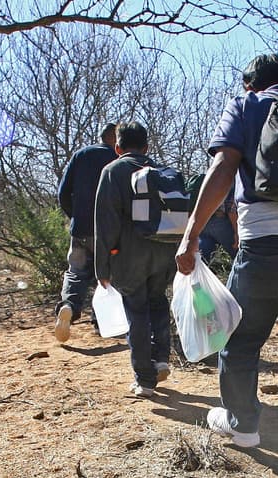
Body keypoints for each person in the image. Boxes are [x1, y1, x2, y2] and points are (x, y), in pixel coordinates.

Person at [177, 53, 278, 447]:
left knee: (238, 339)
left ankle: (242, 425)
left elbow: (224, 167)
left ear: (250, 84)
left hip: (264, 244)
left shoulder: (246, 105)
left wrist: (191, 234)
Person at [93, 120, 176, 397]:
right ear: (147, 146)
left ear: (117, 147)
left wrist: (101, 267)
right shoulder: (161, 171)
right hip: (164, 252)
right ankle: (161, 357)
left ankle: (145, 378)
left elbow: (105, 224)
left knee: (137, 311)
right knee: (158, 303)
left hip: (129, 256)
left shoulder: (112, 172)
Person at [55, 123, 117, 343]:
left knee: (76, 272)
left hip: (80, 228)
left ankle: (68, 307)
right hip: (108, 231)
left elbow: (63, 193)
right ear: (115, 138)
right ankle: (102, 322)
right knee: (109, 275)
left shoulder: (80, 155)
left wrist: (75, 217)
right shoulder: (118, 159)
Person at [199, 187, 238, 266]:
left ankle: (194, 277)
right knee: (240, 256)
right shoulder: (233, 178)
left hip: (203, 222)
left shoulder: (210, 179)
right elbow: (231, 209)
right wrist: (237, 233)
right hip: (221, 222)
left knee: (201, 261)